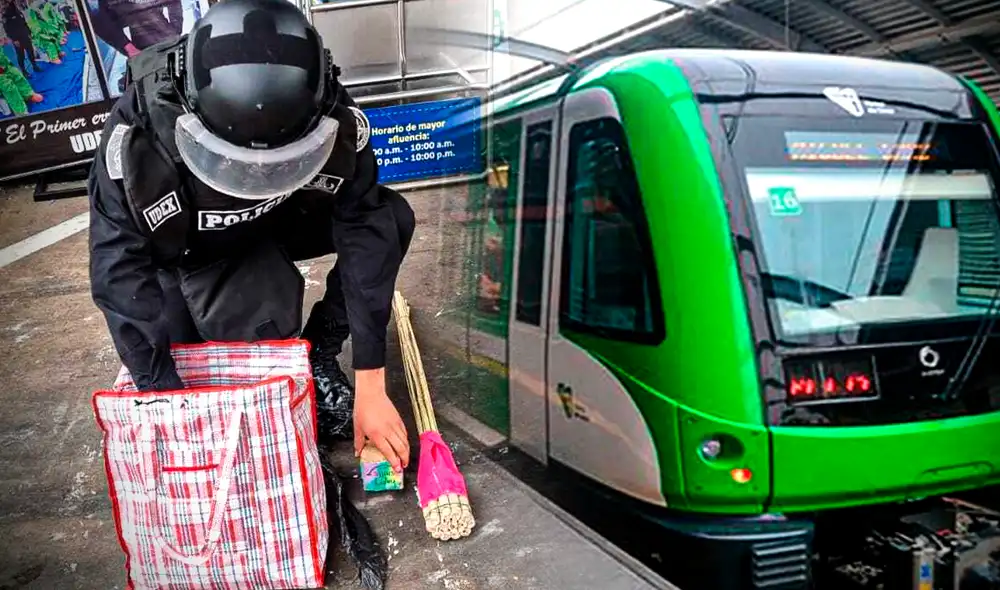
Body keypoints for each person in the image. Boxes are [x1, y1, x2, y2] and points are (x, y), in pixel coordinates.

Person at [86, 0, 412, 471]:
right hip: (192, 244)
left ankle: (317, 353)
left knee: (390, 220)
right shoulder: (137, 138)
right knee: (240, 353)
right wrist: (169, 404)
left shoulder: (329, 105)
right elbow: (118, 273)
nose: (257, 175)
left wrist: (371, 380)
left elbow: (365, 226)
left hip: (282, 215)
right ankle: (249, 330)